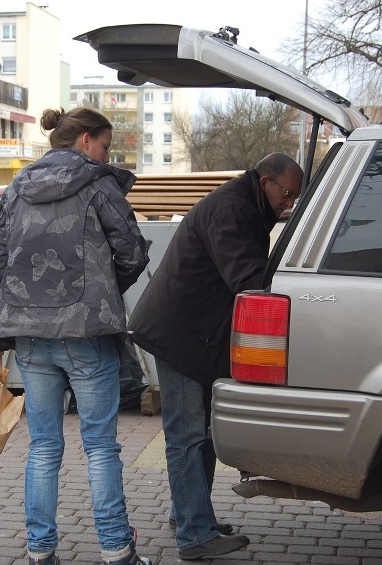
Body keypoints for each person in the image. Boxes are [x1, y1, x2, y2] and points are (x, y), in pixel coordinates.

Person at [0, 107, 151, 565]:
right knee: (100, 446)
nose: (106, 155)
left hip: (31, 336)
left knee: (43, 445)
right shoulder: (99, 183)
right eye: (105, 146)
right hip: (86, 334)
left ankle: (40, 552)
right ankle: (116, 550)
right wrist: (102, 293)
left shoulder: (17, 187)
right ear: (86, 139)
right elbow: (132, 252)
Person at [127, 152, 303, 561]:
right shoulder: (232, 210)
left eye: (295, 197)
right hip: (181, 335)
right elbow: (248, 278)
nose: (289, 204)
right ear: (265, 183)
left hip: (193, 332)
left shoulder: (244, 205)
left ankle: (190, 515)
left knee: (200, 432)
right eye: (288, 194)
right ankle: (194, 534)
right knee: (188, 434)